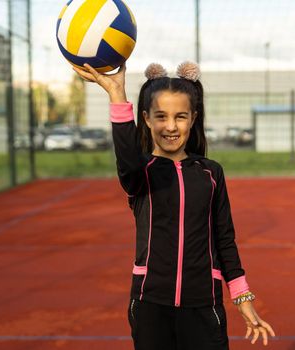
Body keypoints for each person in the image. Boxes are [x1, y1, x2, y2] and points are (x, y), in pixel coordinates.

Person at [73, 61, 275, 350]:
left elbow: (224, 239)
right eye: (161, 116)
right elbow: (127, 158)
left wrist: (242, 298)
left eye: (180, 116)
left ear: (193, 118)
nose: (170, 126)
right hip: (151, 305)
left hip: (204, 305)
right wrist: (117, 94)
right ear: (146, 119)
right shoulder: (141, 172)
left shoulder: (211, 173)